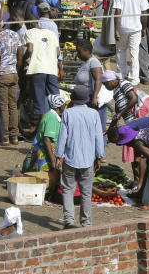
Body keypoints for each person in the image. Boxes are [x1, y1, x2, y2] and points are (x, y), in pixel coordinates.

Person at [56, 85, 105, 228]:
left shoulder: (67, 113)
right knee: (86, 192)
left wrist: (58, 156)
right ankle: (86, 222)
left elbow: (62, 137)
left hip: (70, 159)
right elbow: (98, 137)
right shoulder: (94, 114)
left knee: (68, 190)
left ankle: (69, 221)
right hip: (88, 160)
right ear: (87, 99)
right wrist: (100, 156)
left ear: (72, 98)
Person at [113, 0, 149, 86]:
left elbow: (117, 12)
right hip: (136, 28)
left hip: (123, 27)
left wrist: (116, 29)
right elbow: (145, 13)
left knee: (121, 51)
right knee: (134, 52)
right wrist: (144, 28)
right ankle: (134, 78)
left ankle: (121, 75)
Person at [24, 20, 61, 120]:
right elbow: (58, 53)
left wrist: (24, 59)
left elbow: (30, 49)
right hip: (52, 69)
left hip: (37, 69)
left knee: (39, 101)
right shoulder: (51, 33)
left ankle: (42, 127)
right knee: (55, 100)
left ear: (30, 24)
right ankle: (57, 123)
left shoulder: (30, 32)